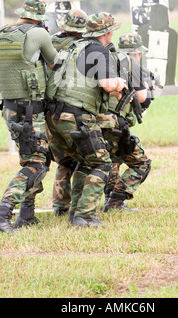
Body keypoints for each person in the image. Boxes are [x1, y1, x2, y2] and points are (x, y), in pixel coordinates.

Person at [0, 0, 59, 233]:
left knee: (33, 158)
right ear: (39, 17)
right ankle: (0, 215)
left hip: (9, 107)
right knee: (36, 164)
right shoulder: (38, 33)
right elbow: (55, 62)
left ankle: (26, 215)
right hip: (29, 108)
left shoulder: (0, 34)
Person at [45, 12, 126, 227]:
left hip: (53, 115)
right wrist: (120, 83)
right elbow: (108, 85)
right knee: (101, 162)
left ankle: (73, 212)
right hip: (75, 115)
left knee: (83, 160)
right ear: (107, 33)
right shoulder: (98, 50)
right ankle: (85, 215)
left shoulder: (75, 47)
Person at [98, 33, 154, 212]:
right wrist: (149, 90)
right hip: (117, 123)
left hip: (98, 121)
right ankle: (116, 201)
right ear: (137, 53)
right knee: (141, 163)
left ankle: (110, 199)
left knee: (112, 159)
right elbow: (143, 100)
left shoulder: (106, 62)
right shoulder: (132, 67)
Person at [48, 9, 88, 217]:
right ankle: (78, 208)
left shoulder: (50, 42)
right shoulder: (84, 48)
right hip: (72, 112)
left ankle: (59, 206)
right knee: (84, 157)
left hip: (48, 112)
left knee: (63, 161)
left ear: (64, 25)